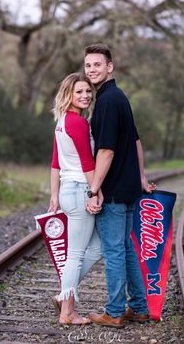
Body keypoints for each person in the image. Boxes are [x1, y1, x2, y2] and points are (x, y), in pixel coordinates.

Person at [84, 44, 156, 328]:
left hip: (113, 191)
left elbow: (106, 151)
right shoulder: (118, 97)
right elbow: (136, 142)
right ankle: (138, 308)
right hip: (128, 189)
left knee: (114, 250)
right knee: (126, 248)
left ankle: (114, 312)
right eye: (88, 65)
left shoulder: (107, 101)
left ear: (109, 67)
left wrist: (94, 189)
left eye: (97, 65)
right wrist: (140, 177)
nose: (92, 69)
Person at [48, 72, 102, 325]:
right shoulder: (77, 123)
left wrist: (54, 195)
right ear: (68, 94)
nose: (85, 96)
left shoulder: (62, 121)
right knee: (76, 253)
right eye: (79, 91)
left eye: (88, 91)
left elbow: (56, 162)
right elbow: (87, 161)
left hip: (69, 191)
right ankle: (67, 312)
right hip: (81, 190)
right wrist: (95, 191)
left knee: (97, 247)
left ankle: (65, 294)